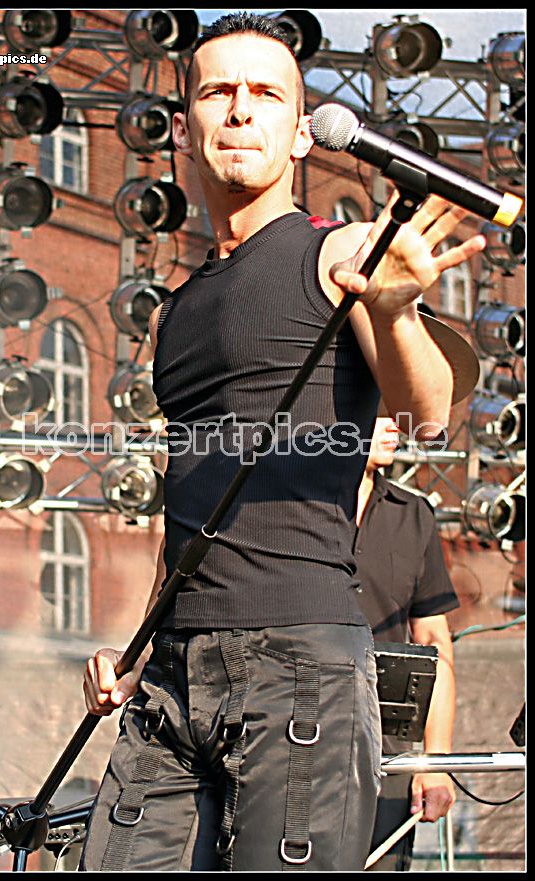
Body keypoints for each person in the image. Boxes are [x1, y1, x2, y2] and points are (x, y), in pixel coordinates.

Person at [79, 13, 484, 872]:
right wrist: (140, 645)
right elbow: (188, 502)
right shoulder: (174, 312)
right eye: (218, 91)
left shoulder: (341, 251)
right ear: (183, 126)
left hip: (299, 664)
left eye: (265, 93)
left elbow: (427, 410)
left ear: (301, 132)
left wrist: (395, 311)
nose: (239, 109)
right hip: (173, 673)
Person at [355, 417, 458, 871]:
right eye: (382, 414)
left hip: (388, 752)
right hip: (294, 738)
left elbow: (434, 640)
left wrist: (435, 761)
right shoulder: (291, 510)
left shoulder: (415, 515)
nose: (396, 428)